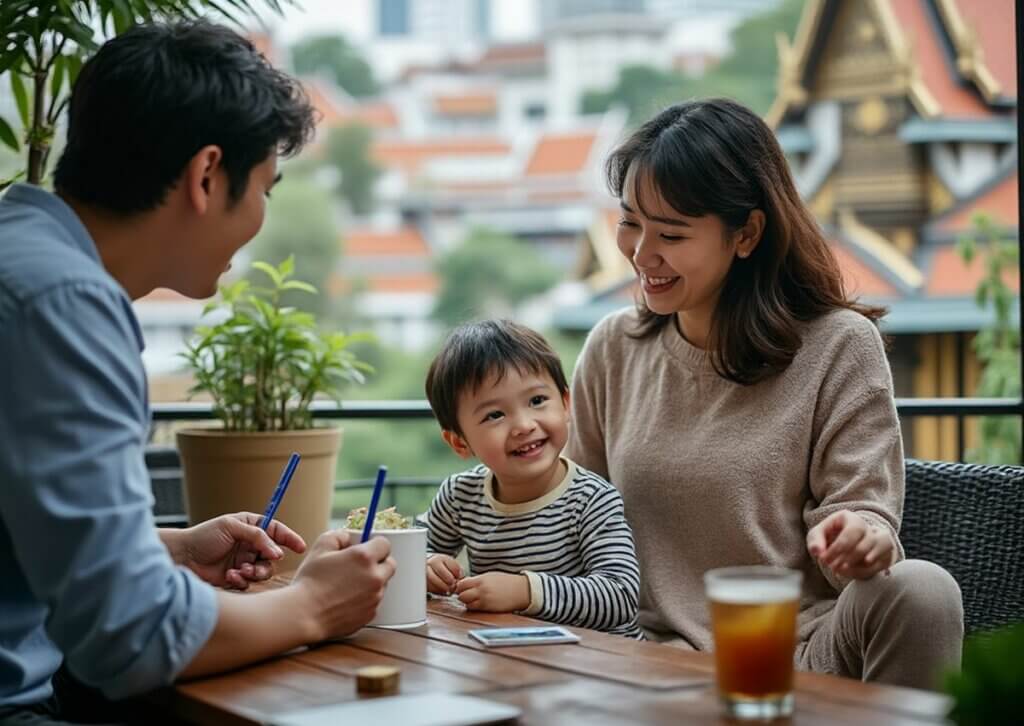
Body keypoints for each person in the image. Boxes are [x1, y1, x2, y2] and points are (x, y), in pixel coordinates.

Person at [0, 21, 395, 724]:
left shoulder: (21, 257)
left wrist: (169, 549)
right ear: (207, 175)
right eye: (266, 191)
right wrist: (311, 605)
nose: (261, 221)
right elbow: (130, 636)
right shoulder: (62, 304)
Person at [565, 98, 963, 689]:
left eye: (671, 233)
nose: (641, 254)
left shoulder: (838, 346)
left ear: (746, 233)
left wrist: (860, 539)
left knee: (924, 590)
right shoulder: (612, 347)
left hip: (792, 654)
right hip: (643, 660)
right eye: (629, 222)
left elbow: (863, 510)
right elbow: (567, 514)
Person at [423, 320, 642, 638]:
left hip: (601, 665)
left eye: (537, 401)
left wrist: (525, 591)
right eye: (495, 415)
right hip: (513, 661)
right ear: (459, 442)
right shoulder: (461, 496)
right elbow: (416, 546)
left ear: (566, 404)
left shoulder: (592, 499)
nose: (524, 425)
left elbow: (620, 596)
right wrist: (425, 564)